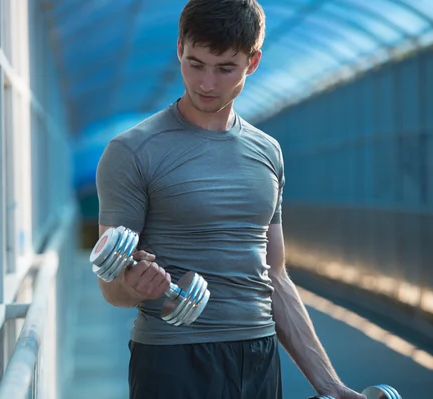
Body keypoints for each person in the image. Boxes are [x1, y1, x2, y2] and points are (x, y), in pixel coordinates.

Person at [95, 1, 365, 398]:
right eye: (195, 63)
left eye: (225, 68)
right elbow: (111, 286)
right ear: (179, 49)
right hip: (173, 360)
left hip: (259, 355)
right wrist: (136, 288)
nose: (206, 83)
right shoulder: (133, 151)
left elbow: (275, 275)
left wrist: (330, 384)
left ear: (252, 62)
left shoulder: (267, 151)